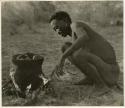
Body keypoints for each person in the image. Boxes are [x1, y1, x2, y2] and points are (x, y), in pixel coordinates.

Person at [49, 11, 120, 87]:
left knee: (78, 55)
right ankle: (91, 78)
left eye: (57, 27)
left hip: (111, 72)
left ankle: (101, 85)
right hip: (104, 70)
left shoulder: (75, 25)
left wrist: (63, 57)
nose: (57, 32)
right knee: (65, 47)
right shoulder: (73, 34)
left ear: (65, 21)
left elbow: (84, 37)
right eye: (55, 30)